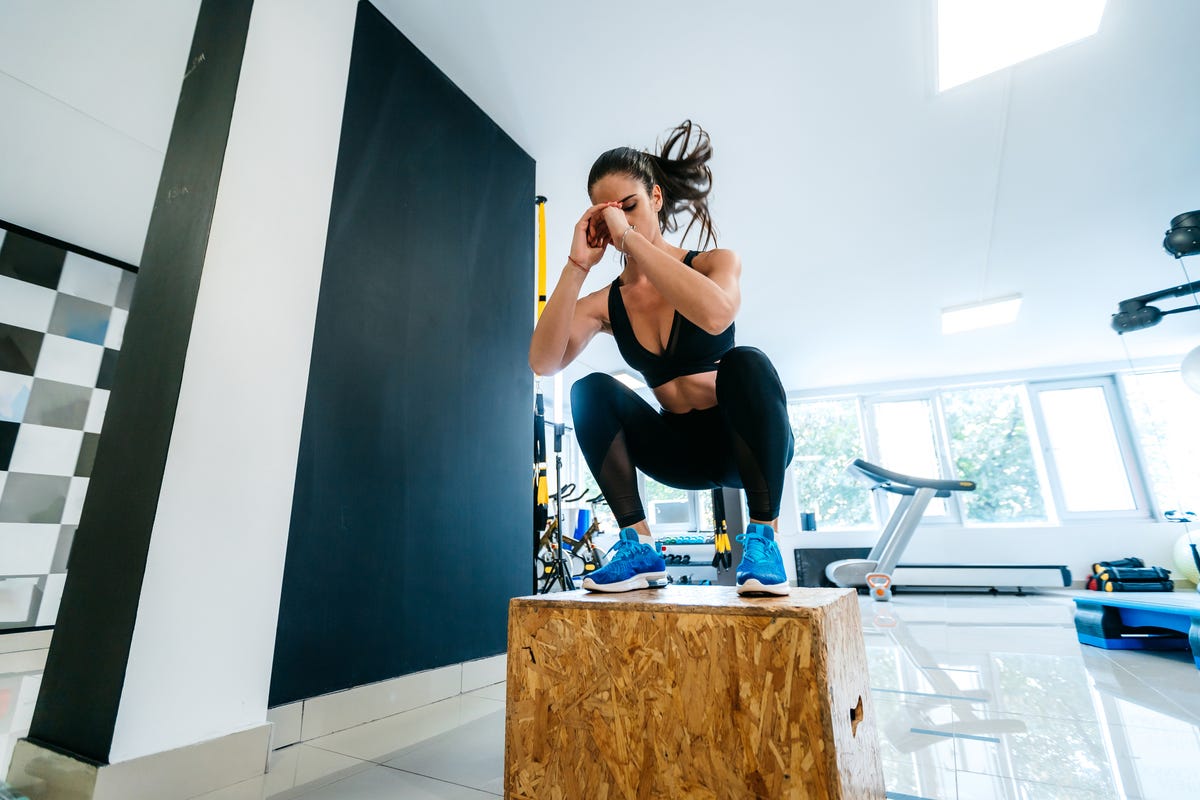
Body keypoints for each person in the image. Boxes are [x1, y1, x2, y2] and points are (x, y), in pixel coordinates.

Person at [529, 121, 794, 595]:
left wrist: (630, 240)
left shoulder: (715, 262)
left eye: (628, 207)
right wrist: (576, 267)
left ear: (654, 197)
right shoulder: (606, 302)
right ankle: (639, 549)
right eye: (608, 216)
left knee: (746, 362)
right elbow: (544, 362)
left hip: (744, 447)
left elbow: (716, 316)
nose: (619, 223)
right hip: (677, 454)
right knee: (588, 389)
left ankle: (763, 536)